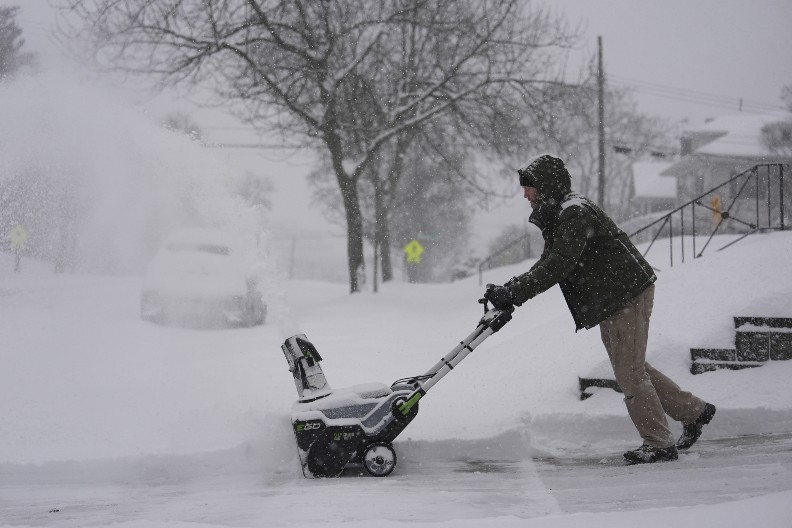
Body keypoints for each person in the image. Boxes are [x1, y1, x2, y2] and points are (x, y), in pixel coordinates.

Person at [484, 154, 716, 464]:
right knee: (632, 366)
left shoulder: (574, 214)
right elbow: (549, 260)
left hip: (626, 294)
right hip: (615, 295)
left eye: (529, 188)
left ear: (546, 187)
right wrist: (511, 288)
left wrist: (514, 292)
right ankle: (694, 411)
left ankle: (660, 443)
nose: (526, 195)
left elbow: (558, 265)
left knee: (629, 371)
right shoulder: (562, 212)